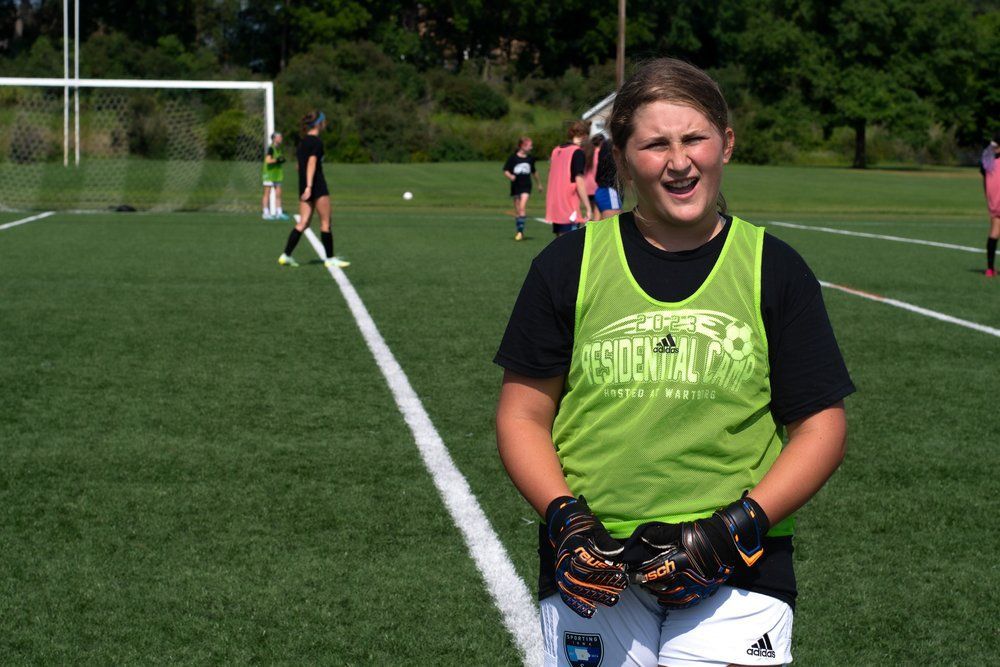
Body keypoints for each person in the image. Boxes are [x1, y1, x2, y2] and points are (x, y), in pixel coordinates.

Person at [495, 58, 854, 667]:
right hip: (594, 567)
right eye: (655, 143)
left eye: (694, 138)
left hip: (741, 567)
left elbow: (821, 427)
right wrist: (565, 520)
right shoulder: (567, 264)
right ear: (623, 157)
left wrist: (735, 528)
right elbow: (522, 417)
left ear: (726, 144)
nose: (679, 161)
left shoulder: (775, 267)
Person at [277, 111, 349, 269]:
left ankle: (286, 255)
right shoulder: (316, 142)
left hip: (303, 185)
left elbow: (299, 166)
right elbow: (311, 162)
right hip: (316, 185)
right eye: (324, 121)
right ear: (318, 124)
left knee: (303, 222)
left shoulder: (302, 142)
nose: (325, 123)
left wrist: (305, 185)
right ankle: (330, 259)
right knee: (325, 222)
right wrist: (310, 186)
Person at [544, 121, 592, 236]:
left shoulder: (556, 150)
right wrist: (588, 207)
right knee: (570, 248)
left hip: (555, 205)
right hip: (568, 206)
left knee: (560, 244)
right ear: (585, 136)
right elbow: (579, 181)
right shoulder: (577, 152)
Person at [504, 137, 543, 241]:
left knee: (522, 208)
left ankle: (520, 232)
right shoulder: (513, 158)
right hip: (516, 187)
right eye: (530, 145)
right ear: (522, 146)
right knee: (518, 211)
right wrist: (510, 176)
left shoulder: (530, 159)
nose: (531, 147)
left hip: (526, 186)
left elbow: (534, 172)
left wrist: (539, 184)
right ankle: (519, 230)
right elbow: (506, 170)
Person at [979, 133, 1000, 276]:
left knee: (994, 231)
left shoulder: (987, 161)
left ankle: (990, 268)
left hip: (994, 201)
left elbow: (985, 182)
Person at [594, 131, 622, 219]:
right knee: (613, 227)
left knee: (598, 228)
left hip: (602, 189)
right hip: (609, 190)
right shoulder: (611, 145)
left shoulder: (606, 144)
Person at [261, 132, 289, 220]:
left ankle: (279, 213)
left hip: (277, 174)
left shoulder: (279, 149)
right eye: (279, 137)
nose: (281, 138)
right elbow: (268, 160)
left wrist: (280, 160)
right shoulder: (271, 149)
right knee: (267, 193)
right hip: (269, 174)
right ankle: (265, 213)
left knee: (278, 194)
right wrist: (277, 160)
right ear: (274, 139)